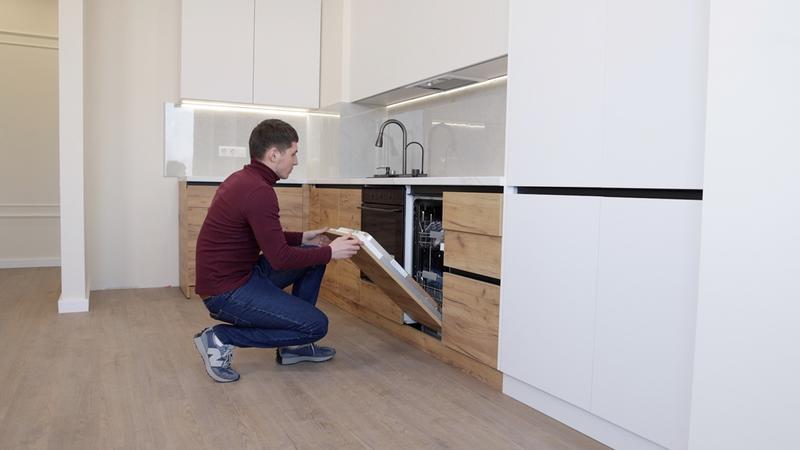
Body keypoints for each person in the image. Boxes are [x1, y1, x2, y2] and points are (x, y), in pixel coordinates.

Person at [193, 119, 361, 383]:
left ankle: (294, 346)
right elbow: (280, 258)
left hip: (240, 276)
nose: (296, 161)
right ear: (274, 154)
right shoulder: (258, 190)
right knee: (316, 325)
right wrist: (331, 252)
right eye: (293, 153)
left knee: (311, 255)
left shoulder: (244, 180)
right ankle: (221, 338)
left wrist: (303, 237)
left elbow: (264, 236)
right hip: (225, 292)